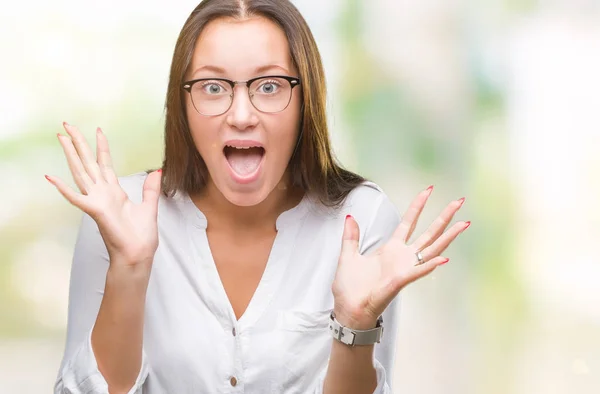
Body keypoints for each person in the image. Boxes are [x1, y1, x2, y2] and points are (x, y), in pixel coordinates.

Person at [49, 1, 470, 393]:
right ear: (183, 103)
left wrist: (354, 325)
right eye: (213, 88)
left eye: (269, 86)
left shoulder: (360, 220)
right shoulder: (122, 216)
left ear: (306, 98)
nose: (241, 115)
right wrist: (129, 269)